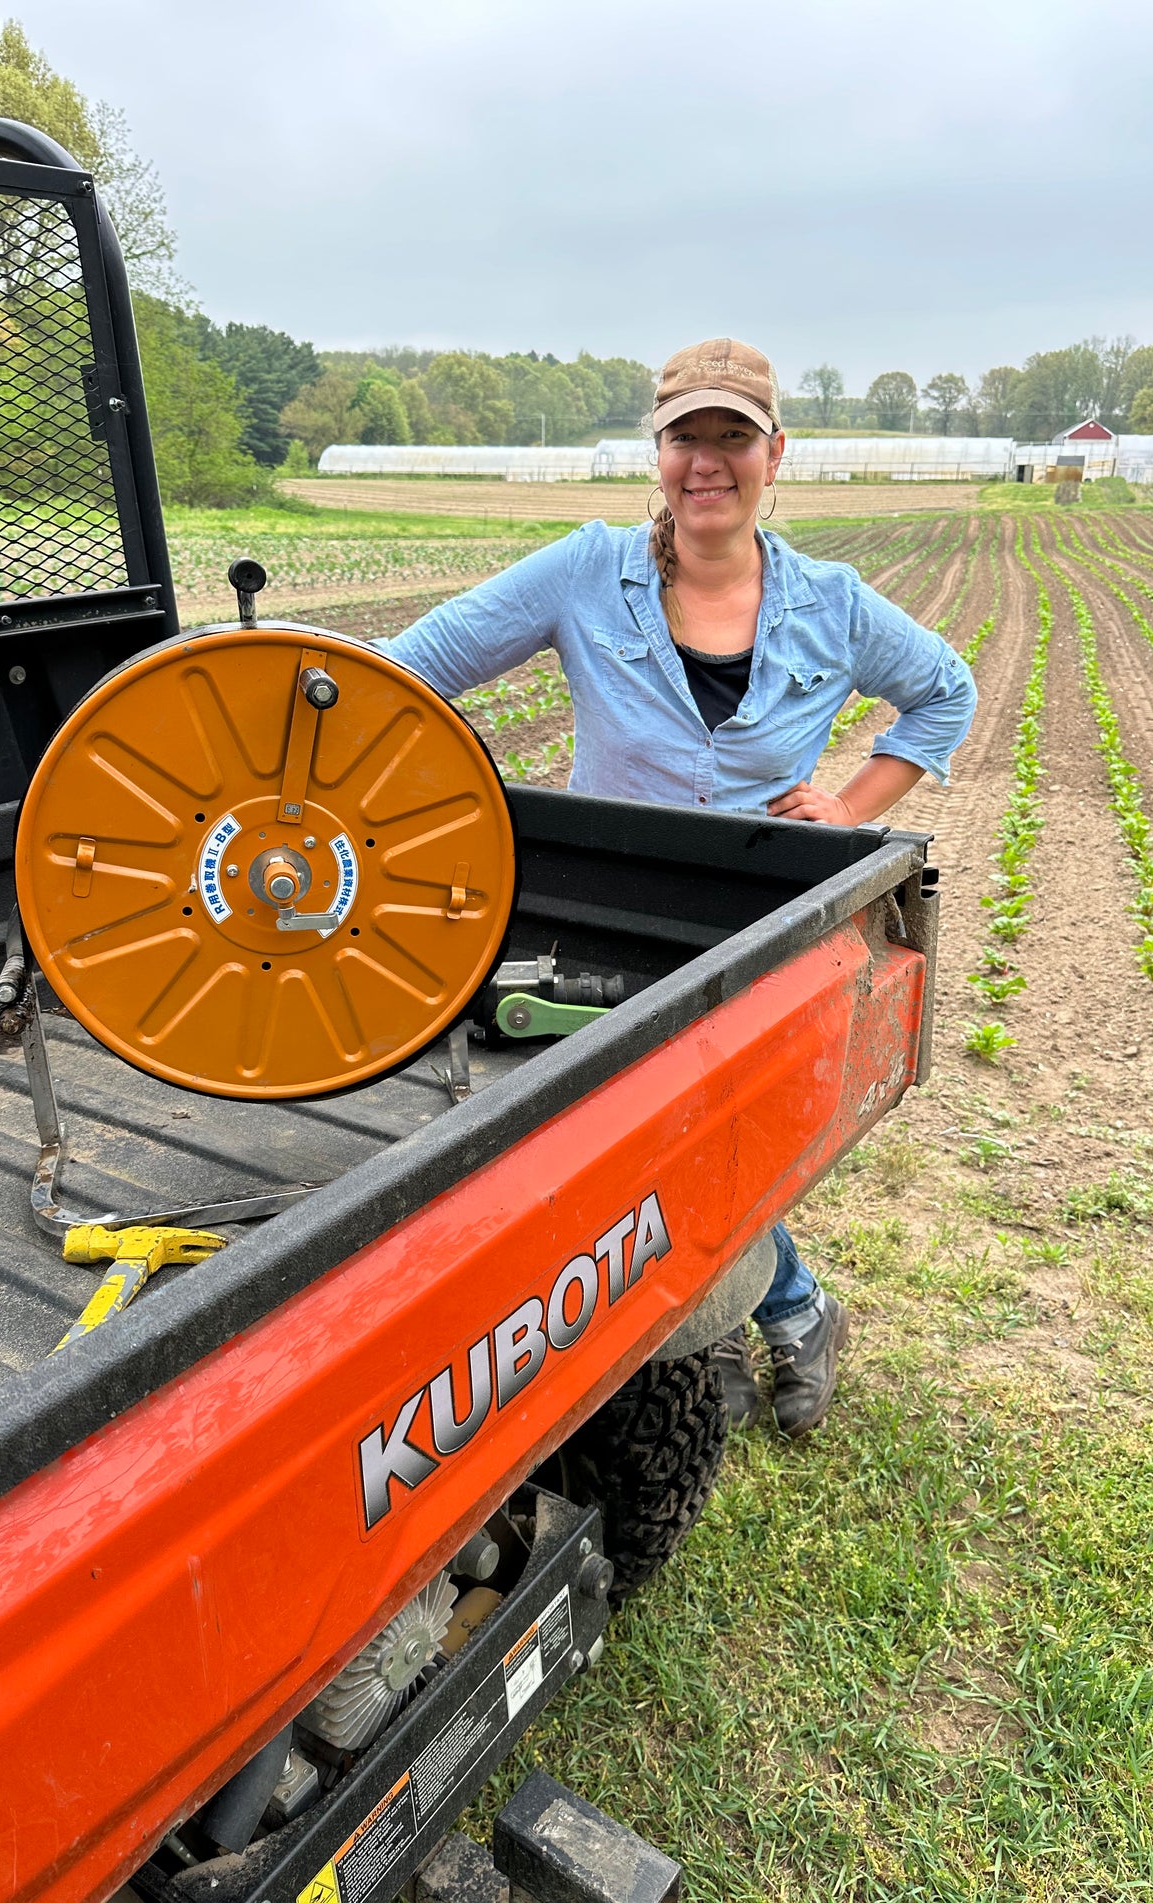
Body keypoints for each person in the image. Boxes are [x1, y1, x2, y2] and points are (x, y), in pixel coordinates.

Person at [383, 338, 976, 1439]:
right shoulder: (582, 572)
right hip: (614, 917)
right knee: (648, 1144)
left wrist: (847, 809)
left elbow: (944, 692)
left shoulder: (830, 605)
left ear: (773, 453)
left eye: (731, 436)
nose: (707, 460)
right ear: (655, 452)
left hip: (758, 930)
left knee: (719, 1141)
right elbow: (412, 666)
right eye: (684, 437)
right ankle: (773, 1312)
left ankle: (770, 1312)